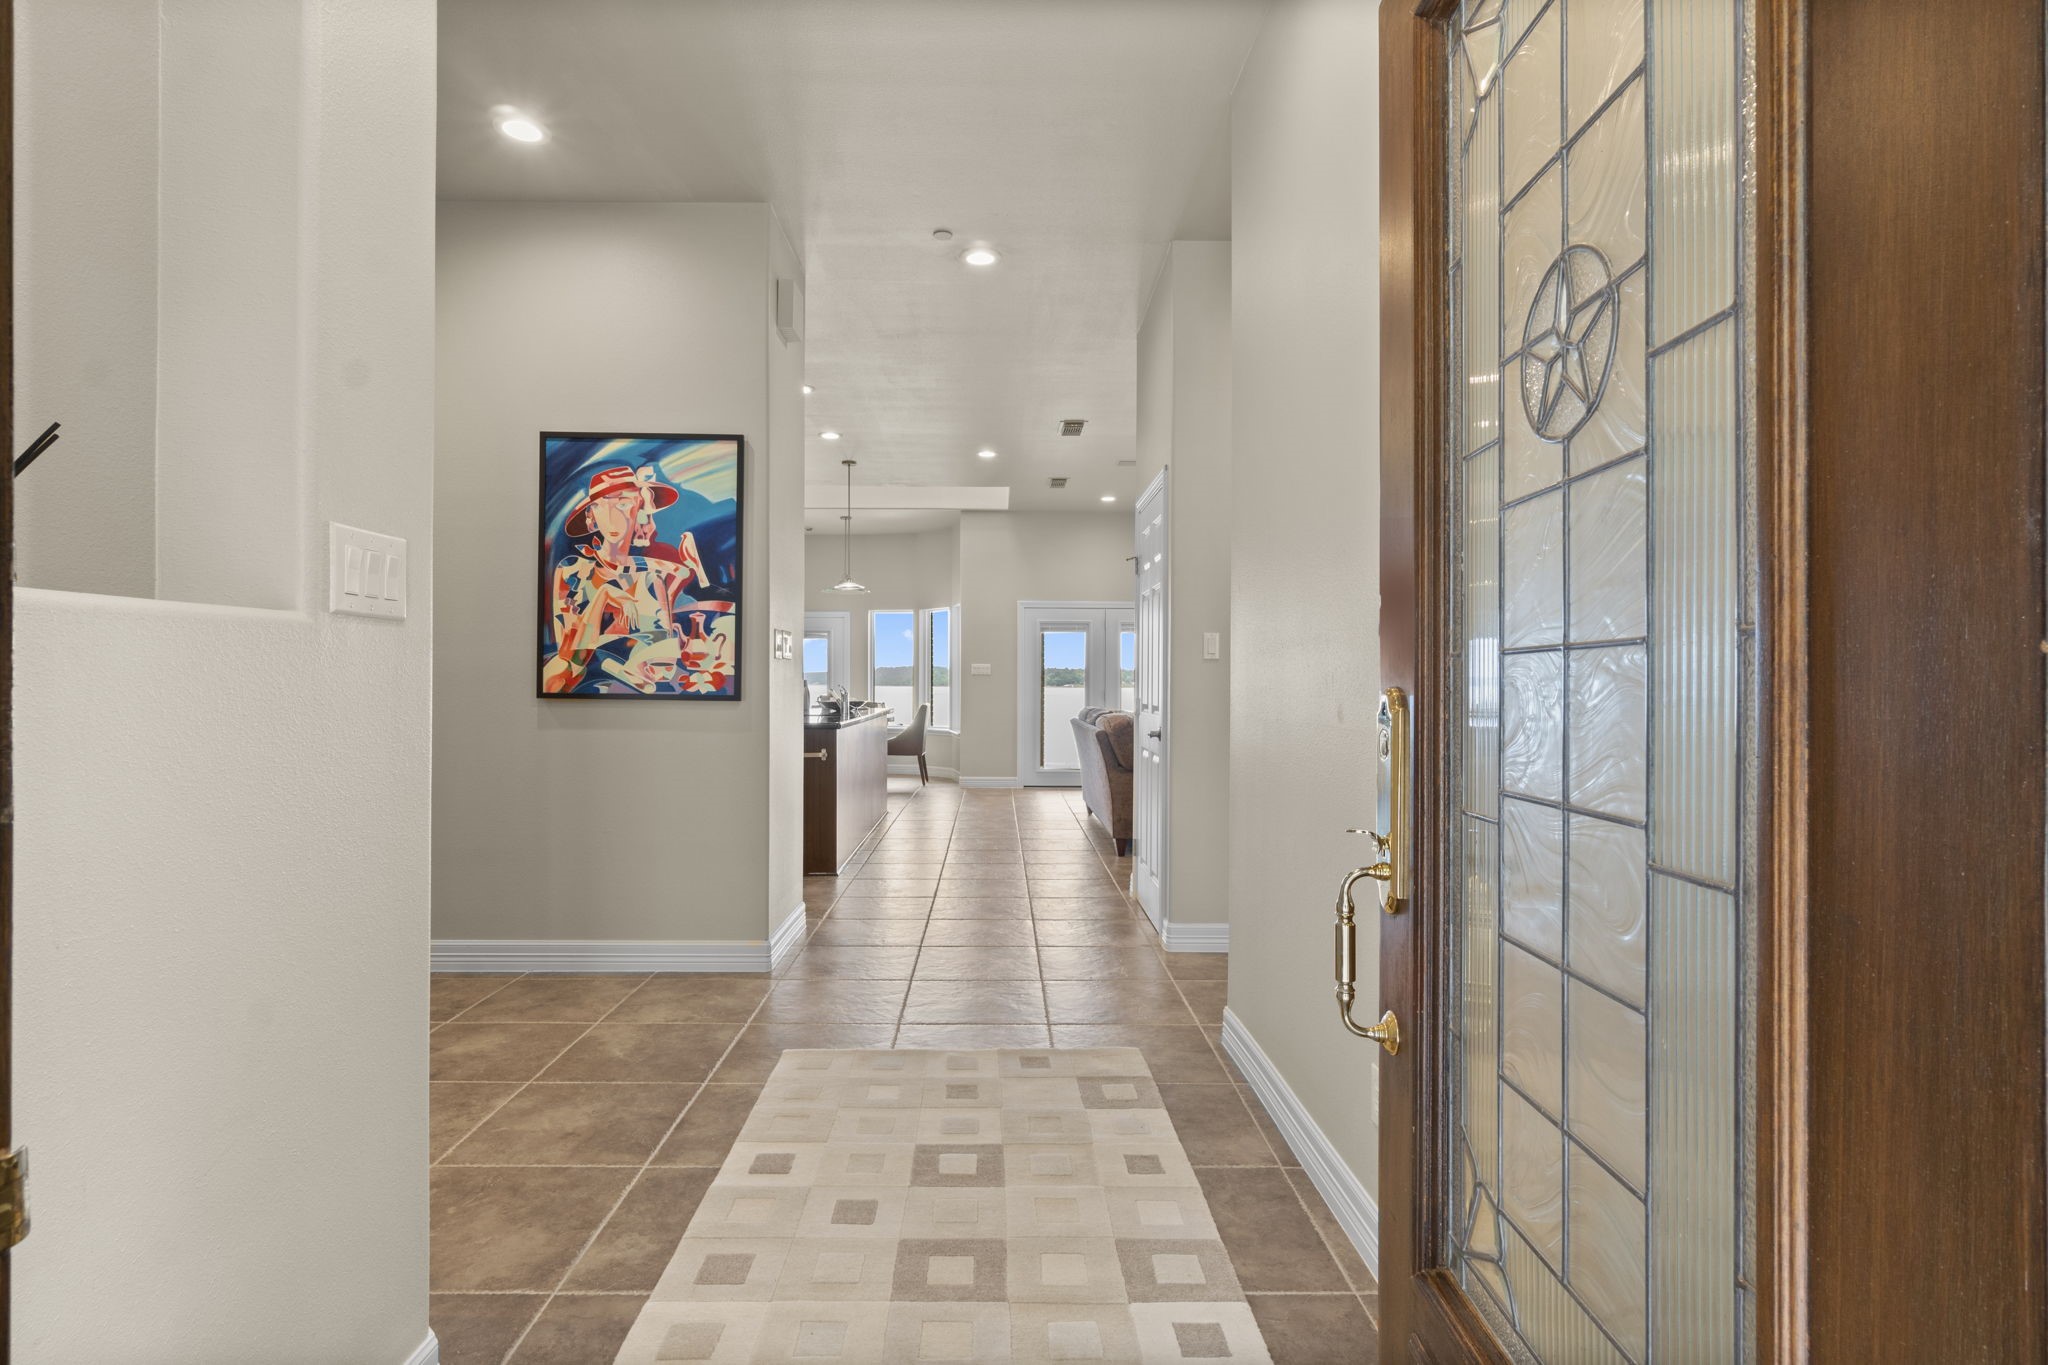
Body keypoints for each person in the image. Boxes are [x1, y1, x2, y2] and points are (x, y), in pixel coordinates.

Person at [541, 464, 716, 694]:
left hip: (640, 689)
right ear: (591, 516)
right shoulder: (572, 572)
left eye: (624, 504)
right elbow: (571, 657)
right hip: (584, 689)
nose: (616, 514)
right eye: (605, 505)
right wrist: (604, 596)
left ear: (638, 510)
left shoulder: (652, 576)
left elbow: (663, 654)